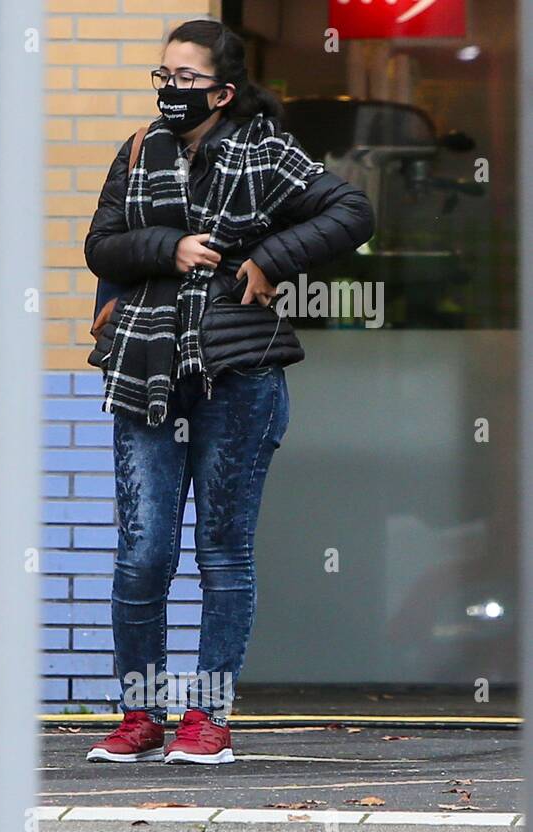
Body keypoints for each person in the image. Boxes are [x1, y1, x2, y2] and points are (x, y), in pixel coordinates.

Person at [82, 19, 374, 764]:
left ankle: (207, 720)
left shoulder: (264, 149)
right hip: (146, 372)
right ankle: (141, 715)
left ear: (223, 89)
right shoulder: (140, 149)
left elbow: (352, 212)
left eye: (185, 79)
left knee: (222, 554)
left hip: (237, 374)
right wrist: (168, 248)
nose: (171, 91)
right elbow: (101, 245)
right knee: (143, 554)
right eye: (164, 76)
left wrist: (272, 259)